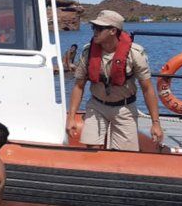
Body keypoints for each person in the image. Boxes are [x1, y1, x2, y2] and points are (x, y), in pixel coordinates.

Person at [66, 10, 164, 151]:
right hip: (97, 105)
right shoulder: (88, 53)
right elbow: (79, 86)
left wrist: (155, 123)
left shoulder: (134, 55)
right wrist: (71, 117)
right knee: (92, 148)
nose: (95, 32)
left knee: (124, 154)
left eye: (100, 28)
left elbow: (147, 88)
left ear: (113, 31)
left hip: (124, 109)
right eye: (94, 28)